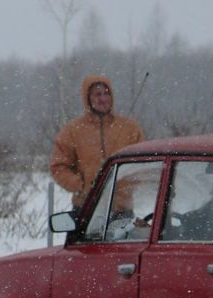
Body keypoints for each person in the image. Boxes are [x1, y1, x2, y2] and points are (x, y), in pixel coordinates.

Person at [50, 75, 145, 212]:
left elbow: (143, 165)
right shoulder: (72, 131)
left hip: (121, 210)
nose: (103, 99)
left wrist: (126, 185)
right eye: (97, 94)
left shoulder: (130, 128)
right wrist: (81, 185)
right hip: (85, 209)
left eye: (106, 93)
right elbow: (59, 167)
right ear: (87, 98)